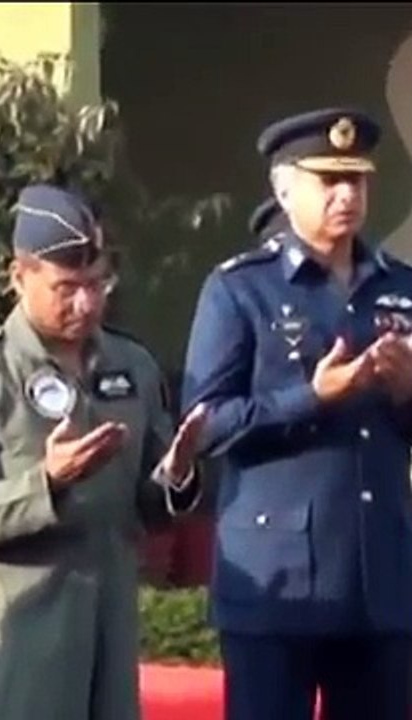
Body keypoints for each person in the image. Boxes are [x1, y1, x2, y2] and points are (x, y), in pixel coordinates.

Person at [0, 183, 208, 720]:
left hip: (111, 625)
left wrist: (179, 474)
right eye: (66, 287)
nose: (86, 302)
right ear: (18, 276)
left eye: (98, 285)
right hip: (24, 635)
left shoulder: (132, 366)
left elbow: (149, 500)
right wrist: (45, 484)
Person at [180, 108, 412, 720]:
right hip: (277, 583)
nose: (347, 195)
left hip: (378, 581)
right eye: (328, 180)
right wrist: (313, 396)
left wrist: (407, 391)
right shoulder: (240, 290)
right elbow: (206, 424)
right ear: (284, 189)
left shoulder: (402, 289)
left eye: (357, 180)